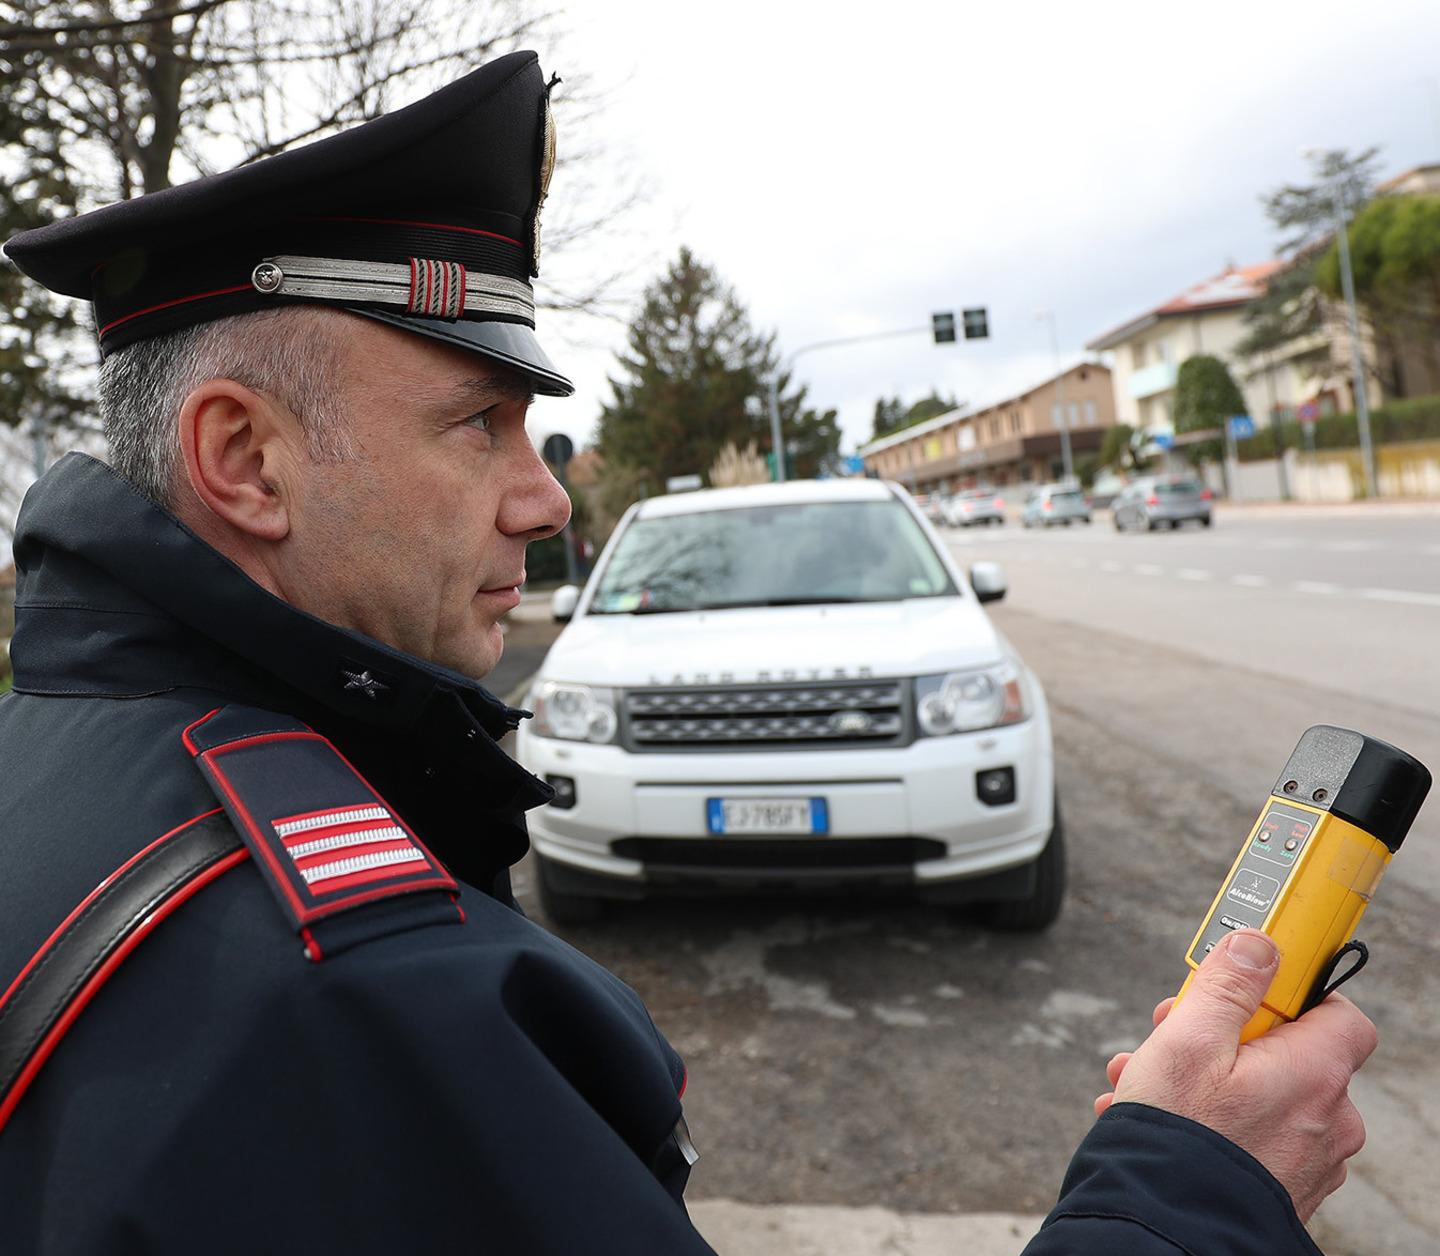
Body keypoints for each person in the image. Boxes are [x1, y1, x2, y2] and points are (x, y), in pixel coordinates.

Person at [0, 49, 1374, 1256]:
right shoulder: (348, 984)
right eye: (477, 423)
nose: (545, 500)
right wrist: (1187, 1193)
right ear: (245, 458)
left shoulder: (49, 763)